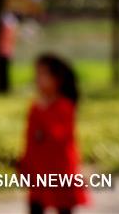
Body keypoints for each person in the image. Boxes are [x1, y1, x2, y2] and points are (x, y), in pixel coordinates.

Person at [20, 54, 89, 214]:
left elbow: (58, 136)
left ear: (57, 79)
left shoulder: (64, 106)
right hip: (38, 169)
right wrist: (25, 162)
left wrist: (44, 112)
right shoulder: (35, 107)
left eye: (43, 74)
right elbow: (30, 138)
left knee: (64, 207)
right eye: (36, 74)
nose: (37, 79)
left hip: (60, 170)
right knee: (35, 206)